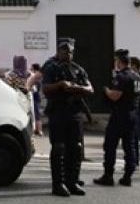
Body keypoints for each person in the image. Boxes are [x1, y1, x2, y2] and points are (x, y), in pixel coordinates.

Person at [42, 38, 92, 197]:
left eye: (70, 51)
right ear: (58, 51)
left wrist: (76, 88)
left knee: (76, 147)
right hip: (58, 111)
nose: (67, 54)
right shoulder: (51, 67)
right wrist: (61, 85)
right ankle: (58, 184)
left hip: (74, 113)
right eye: (64, 50)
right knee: (59, 148)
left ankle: (73, 181)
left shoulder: (78, 69)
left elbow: (90, 88)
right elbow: (45, 88)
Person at [94, 49, 140, 187]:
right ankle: (128, 176)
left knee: (110, 146)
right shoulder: (137, 77)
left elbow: (115, 96)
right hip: (132, 115)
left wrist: (106, 90)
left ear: (119, 62)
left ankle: (108, 175)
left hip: (120, 115)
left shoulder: (121, 77)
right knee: (129, 147)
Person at [25, 63, 44, 136]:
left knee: (36, 114)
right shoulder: (37, 76)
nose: (30, 69)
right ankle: (37, 130)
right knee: (36, 114)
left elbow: (35, 89)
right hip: (36, 97)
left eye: (32, 68)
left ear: (35, 69)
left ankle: (39, 130)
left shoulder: (35, 77)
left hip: (35, 97)